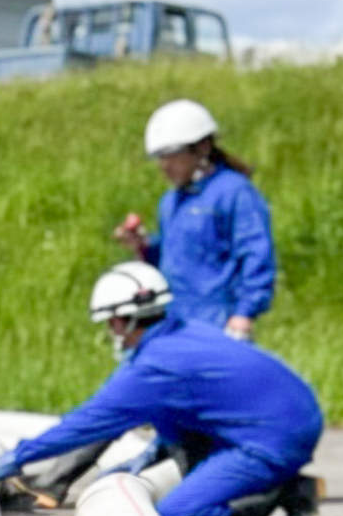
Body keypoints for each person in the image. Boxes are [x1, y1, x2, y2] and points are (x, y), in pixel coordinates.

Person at [0, 261, 322, 516]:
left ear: (124, 320)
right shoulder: (184, 332)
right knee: (188, 470)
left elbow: (84, 424)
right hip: (293, 417)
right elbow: (179, 409)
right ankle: (275, 482)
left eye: (110, 323)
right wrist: (154, 452)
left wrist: (17, 457)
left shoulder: (154, 366)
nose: (110, 332)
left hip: (273, 439)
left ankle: (287, 491)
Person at [114, 98, 276, 340]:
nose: (164, 166)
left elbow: (256, 254)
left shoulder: (234, 192)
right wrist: (143, 246)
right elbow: (175, 259)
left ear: (202, 148)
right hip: (175, 320)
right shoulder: (170, 202)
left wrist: (244, 314)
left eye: (172, 155)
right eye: (160, 157)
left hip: (220, 323)